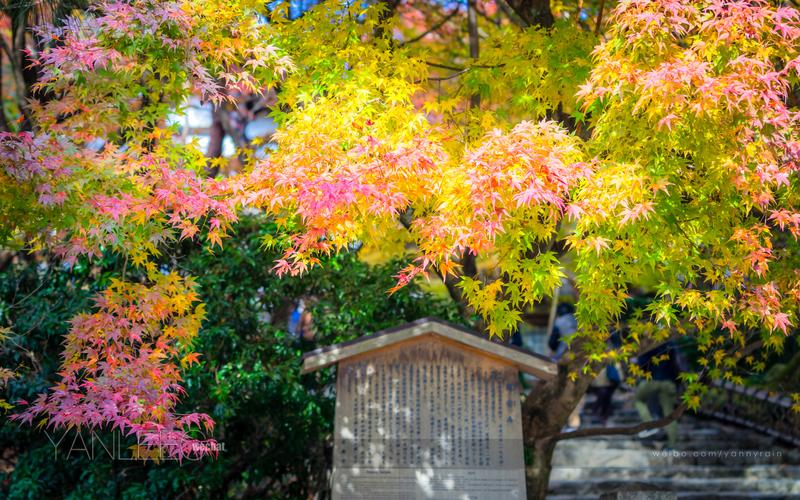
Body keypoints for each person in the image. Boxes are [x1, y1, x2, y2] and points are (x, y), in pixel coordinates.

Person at [634, 341, 681, 447]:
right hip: (668, 382)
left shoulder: (648, 344)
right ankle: (672, 446)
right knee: (669, 414)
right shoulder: (671, 345)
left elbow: (642, 364)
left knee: (638, 400)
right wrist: (678, 382)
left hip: (652, 380)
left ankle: (650, 425)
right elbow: (677, 364)